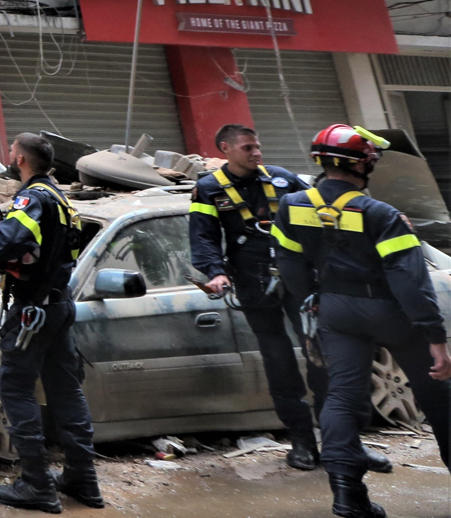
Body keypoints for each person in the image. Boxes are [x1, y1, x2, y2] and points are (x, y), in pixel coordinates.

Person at [273, 125, 451, 518]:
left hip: (334, 311)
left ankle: (347, 496)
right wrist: (435, 337)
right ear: (363, 163)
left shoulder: (292, 205)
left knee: (341, 396)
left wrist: (311, 301)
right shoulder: (383, 215)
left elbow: (288, 263)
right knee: (438, 397)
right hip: (389, 312)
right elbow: (410, 280)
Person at [189, 123, 340, 471]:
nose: (257, 153)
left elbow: (325, 211)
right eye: (247, 148)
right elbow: (203, 238)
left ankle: (340, 440)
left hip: (300, 281)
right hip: (254, 284)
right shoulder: (209, 189)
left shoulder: (283, 179)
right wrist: (216, 272)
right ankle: (302, 442)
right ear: (225, 149)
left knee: (323, 357)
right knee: (279, 362)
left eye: (257, 146)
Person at [0, 133, 101, 512]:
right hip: (58, 306)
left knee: (16, 391)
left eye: (11, 153)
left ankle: (36, 484)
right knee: (67, 392)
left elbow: (12, 238)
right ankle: (82, 480)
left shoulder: (32, 198)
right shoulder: (62, 199)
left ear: (21, 159)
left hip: (31, 312)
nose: (9, 157)